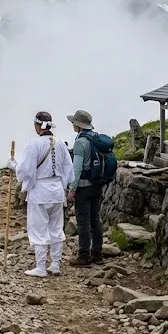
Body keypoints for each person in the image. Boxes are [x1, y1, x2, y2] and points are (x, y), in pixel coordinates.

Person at [7, 111, 74, 277]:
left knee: (38, 229)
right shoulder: (60, 144)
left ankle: (41, 267)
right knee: (56, 228)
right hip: (57, 190)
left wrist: (13, 165)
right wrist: (63, 185)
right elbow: (68, 169)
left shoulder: (34, 145)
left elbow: (25, 171)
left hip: (40, 191)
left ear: (37, 126)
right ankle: (56, 265)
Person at [66, 109, 104, 266]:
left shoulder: (80, 142)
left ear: (78, 125)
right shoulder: (96, 137)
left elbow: (77, 168)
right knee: (95, 219)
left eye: (74, 122)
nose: (72, 125)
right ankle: (97, 253)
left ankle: (83, 256)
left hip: (83, 187)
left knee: (83, 222)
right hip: (97, 185)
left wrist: (72, 189)